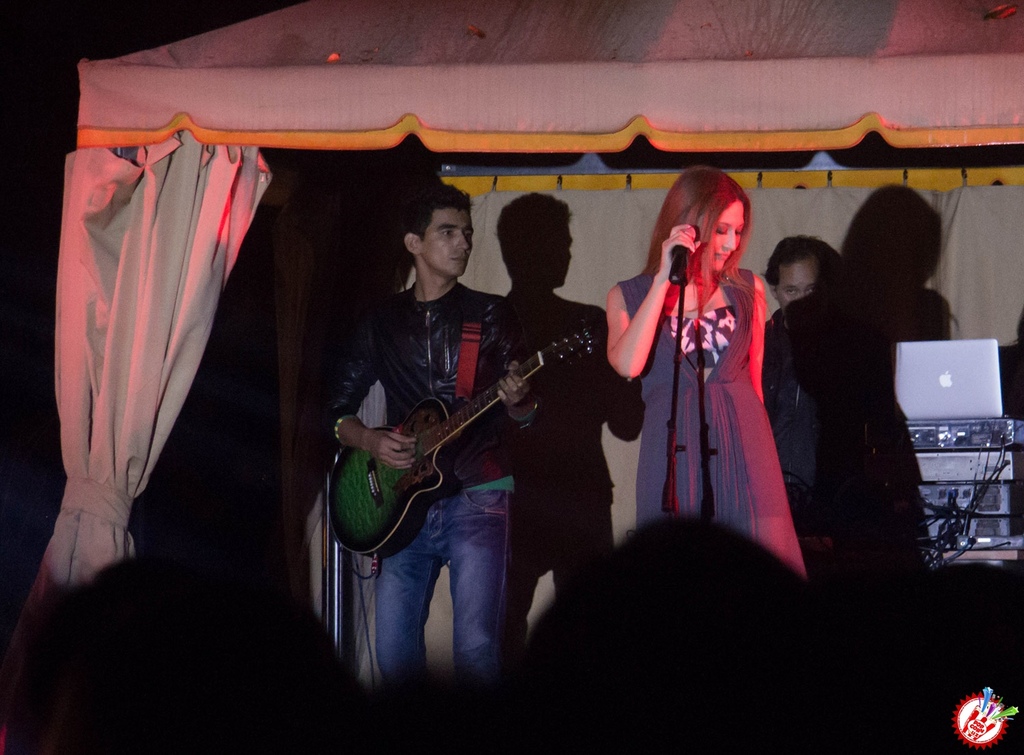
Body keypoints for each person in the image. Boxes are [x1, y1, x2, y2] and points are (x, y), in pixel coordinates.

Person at [326, 182, 535, 687]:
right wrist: (370, 441)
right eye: (448, 232)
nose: (464, 242)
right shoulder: (379, 323)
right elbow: (336, 412)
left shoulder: (491, 314)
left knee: (477, 651)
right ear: (413, 243)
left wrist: (519, 401)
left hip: (478, 491)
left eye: (467, 232)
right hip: (400, 501)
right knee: (394, 654)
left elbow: (528, 415)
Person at [605, 166, 805, 577]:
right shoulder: (629, 295)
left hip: (746, 452)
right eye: (721, 230)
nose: (731, 244)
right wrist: (664, 280)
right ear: (689, 224)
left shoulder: (748, 289)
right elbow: (628, 364)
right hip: (672, 454)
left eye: (738, 231)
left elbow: (754, 385)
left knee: (757, 575)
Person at [762, 236, 840, 535]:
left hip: (826, 503)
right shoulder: (758, 343)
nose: (803, 301)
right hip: (768, 498)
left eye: (810, 290)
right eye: (792, 291)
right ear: (775, 291)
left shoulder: (845, 343)